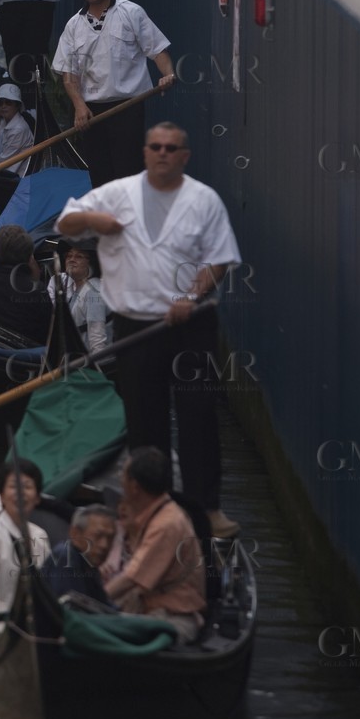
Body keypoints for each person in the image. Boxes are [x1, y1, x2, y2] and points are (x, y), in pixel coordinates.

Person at [56, 122, 242, 537]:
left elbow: (219, 259)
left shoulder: (203, 200)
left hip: (190, 323)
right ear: (145, 153)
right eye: (155, 146)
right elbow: (66, 223)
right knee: (143, 421)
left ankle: (206, 510)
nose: (162, 153)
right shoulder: (116, 194)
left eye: (170, 148)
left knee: (198, 416)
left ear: (183, 157)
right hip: (135, 325)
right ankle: (149, 508)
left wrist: (190, 298)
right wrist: (96, 221)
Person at [52, 0, 175, 185]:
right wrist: (79, 106)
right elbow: (69, 74)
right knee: (100, 178)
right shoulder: (73, 25)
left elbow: (158, 50)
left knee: (128, 174)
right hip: (91, 112)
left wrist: (167, 74)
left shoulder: (131, 12)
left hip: (128, 107)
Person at [105, 448, 207, 643]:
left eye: (123, 476)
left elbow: (132, 577)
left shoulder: (166, 524)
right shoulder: (156, 514)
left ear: (134, 486)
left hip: (171, 617)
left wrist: (95, 598)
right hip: (149, 609)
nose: (120, 480)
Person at [0, 459, 51, 634]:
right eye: (14, 487)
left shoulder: (40, 535)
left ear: (37, 498)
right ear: (1, 496)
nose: (20, 493)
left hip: (34, 623)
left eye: (27, 487)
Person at [39, 505, 116, 604]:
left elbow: (104, 604)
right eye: (98, 535)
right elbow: (72, 608)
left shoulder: (89, 564)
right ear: (75, 533)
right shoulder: (65, 557)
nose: (104, 545)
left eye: (110, 538)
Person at [49, 245, 109, 353]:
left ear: (91, 262)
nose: (72, 259)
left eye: (79, 256)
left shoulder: (93, 291)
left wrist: (98, 363)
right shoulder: (77, 288)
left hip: (90, 359)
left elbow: (98, 340)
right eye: (69, 256)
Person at [0, 83, 35, 175]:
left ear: (17, 105)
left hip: (19, 178)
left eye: (8, 102)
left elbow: (4, 160)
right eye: (0, 103)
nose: (3, 106)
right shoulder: (3, 123)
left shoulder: (18, 129)